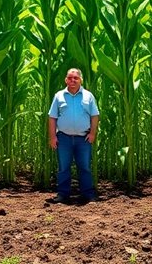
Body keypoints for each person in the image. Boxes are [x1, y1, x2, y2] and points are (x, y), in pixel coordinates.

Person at [47, 67, 99, 203]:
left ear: (80, 80)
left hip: (83, 138)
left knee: (85, 167)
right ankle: (63, 195)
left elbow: (95, 116)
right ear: (66, 80)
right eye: (70, 78)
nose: (73, 80)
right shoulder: (59, 96)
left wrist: (93, 134)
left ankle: (87, 194)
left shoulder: (89, 96)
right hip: (64, 138)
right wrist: (53, 137)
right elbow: (52, 117)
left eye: (75, 78)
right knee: (63, 167)